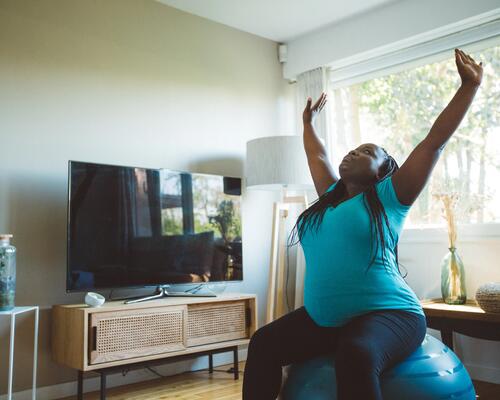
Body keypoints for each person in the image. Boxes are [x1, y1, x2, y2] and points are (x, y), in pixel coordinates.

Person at [242, 48, 483, 400]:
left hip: (391, 314)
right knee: (263, 343)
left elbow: (433, 144)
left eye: (367, 152)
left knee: (356, 354)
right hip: (327, 318)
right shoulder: (329, 198)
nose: (353, 153)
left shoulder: (390, 198)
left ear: (384, 172)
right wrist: (307, 125)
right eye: (353, 149)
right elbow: (317, 155)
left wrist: (469, 87)